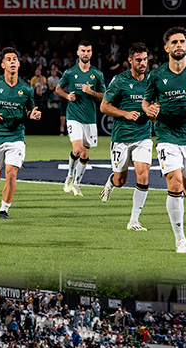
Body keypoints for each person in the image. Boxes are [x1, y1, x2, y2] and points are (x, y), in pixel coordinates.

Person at [142, 26, 186, 253]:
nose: (179, 45)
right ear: (166, 48)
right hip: (165, 135)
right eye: (174, 42)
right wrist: (149, 110)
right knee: (174, 182)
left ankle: (179, 198)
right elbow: (146, 102)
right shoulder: (157, 75)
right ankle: (180, 239)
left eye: (182, 41)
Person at [0, 48, 41, 220]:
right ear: (3, 64)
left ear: (19, 64)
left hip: (16, 136)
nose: (12, 62)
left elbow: (29, 109)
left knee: (12, 174)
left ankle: (4, 210)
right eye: (9, 59)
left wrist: (32, 115)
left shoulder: (26, 89)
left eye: (15, 59)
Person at [100, 42, 152, 231]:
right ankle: (111, 181)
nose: (142, 63)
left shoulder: (152, 81)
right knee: (121, 180)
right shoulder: (119, 80)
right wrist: (125, 113)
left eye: (145, 59)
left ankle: (134, 220)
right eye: (138, 60)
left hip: (143, 135)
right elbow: (104, 106)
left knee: (143, 174)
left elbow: (157, 104)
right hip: (121, 136)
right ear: (130, 61)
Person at [56, 40, 105, 196]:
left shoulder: (97, 74)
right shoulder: (70, 72)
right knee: (77, 149)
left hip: (90, 119)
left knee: (85, 154)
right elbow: (58, 88)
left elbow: (104, 96)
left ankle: (77, 182)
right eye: (83, 50)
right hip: (73, 116)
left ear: (91, 53)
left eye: (88, 51)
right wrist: (67, 96)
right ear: (78, 53)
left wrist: (91, 92)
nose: (85, 53)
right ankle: (70, 174)